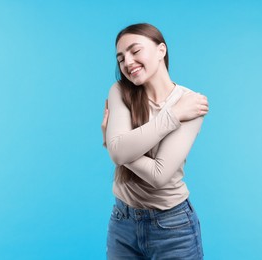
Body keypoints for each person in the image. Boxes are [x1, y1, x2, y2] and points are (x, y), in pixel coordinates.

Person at [101, 23, 209, 259]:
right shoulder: (120, 91)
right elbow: (118, 153)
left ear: (161, 50)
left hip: (173, 227)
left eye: (135, 51)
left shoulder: (191, 103)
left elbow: (159, 175)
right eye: (120, 58)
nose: (128, 62)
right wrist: (172, 117)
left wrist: (115, 146)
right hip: (122, 222)